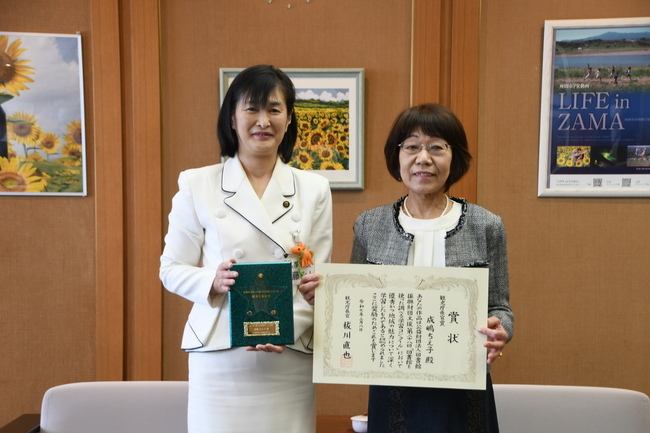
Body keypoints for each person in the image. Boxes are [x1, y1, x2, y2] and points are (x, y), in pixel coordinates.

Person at [301, 103, 514, 432]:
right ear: (396, 157)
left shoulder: (486, 225)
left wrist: (502, 331)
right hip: (392, 389)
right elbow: (355, 305)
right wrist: (326, 300)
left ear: (453, 157)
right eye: (412, 146)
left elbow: (501, 306)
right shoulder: (370, 225)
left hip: (464, 388)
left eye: (436, 147)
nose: (423, 158)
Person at [160, 64, 333, 433]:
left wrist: (282, 329)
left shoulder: (314, 188)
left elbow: (315, 282)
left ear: (289, 120)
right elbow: (171, 269)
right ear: (232, 118)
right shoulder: (197, 183)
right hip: (220, 353)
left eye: (274, 109)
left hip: (287, 355)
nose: (263, 120)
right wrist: (212, 279)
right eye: (251, 108)